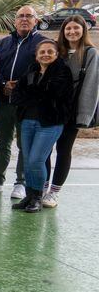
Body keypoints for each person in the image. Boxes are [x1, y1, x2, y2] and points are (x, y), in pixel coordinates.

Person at [0, 7, 45, 200]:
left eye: (28, 16)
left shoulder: (42, 43)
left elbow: (44, 69)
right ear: (15, 20)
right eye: (20, 16)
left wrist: (21, 85)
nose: (24, 19)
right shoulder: (3, 43)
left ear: (36, 20)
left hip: (27, 104)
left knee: (24, 144)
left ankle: (21, 182)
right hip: (3, 101)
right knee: (3, 143)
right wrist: (2, 84)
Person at [10, 40, 74, 212]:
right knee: (28, 161)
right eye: (42, 52)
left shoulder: (63, 72)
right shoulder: (31, 71)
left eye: (50, 52)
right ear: (37, 56)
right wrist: (34, 94)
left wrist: (30, 94)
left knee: (36, 160)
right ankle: (29, 196)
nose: (45, 54)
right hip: (27, 121)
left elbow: (52, 93)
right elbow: (16, 95)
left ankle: (38, 197)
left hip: (50, 123)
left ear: (56, 54)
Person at [44, 17, 99, 207]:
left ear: (83, 30)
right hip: (51, 109)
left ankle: (54, 191)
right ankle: (42, 187)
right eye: (68, 28)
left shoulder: (90, 53)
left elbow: (91, 85)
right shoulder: (57, 51)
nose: (72, 32)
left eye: (76, 28)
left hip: (72, 111)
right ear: (63, 31)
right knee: (45, 150)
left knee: (63, 149)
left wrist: (84, 116)